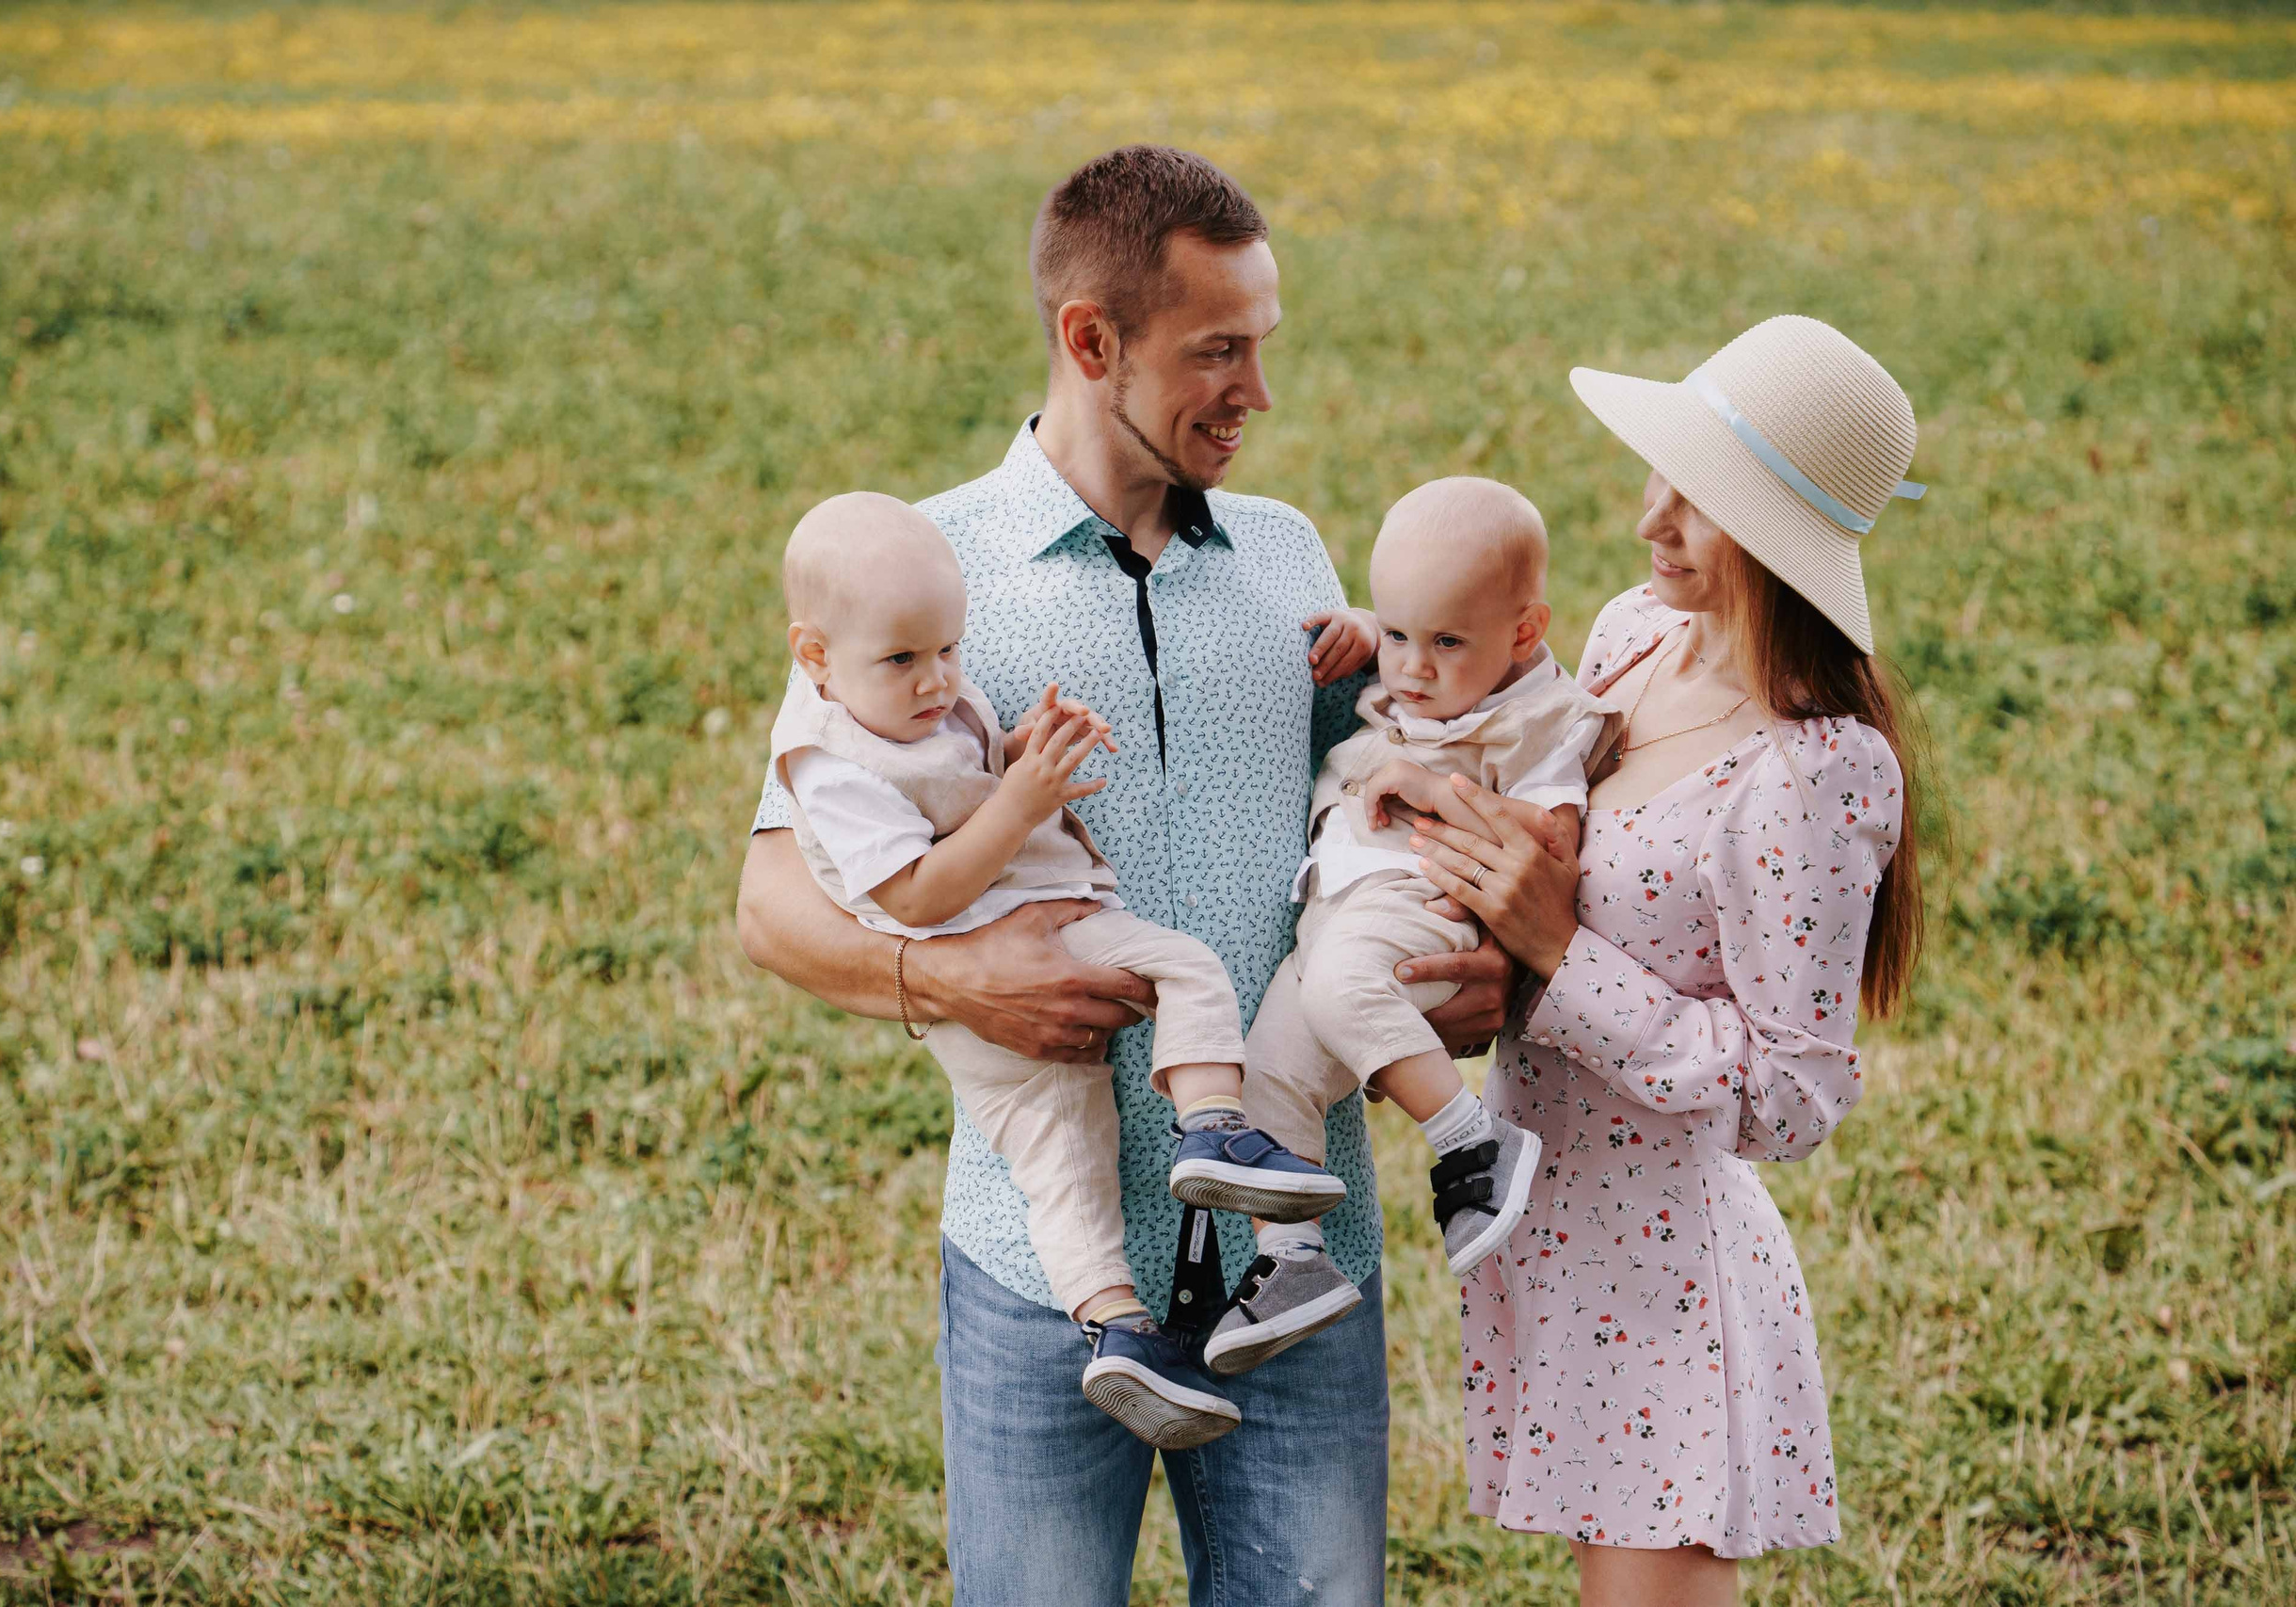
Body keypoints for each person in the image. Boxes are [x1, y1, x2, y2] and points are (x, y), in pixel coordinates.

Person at [736, 146, 1518, 1605]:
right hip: (1043, 1269)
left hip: (1302, 1255)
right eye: (1217, 352)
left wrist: (1479, 973)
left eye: (1260, 347)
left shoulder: (1294, 560)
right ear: (1091, 342)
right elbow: (771, 902)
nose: (1257, 393)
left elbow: (1395, 819)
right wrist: (945, 975)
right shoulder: (918, 578)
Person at [1398, 315, 1932, 1606]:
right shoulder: (1634, 635)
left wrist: (1556, 951)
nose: (1652, 519)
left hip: (1668, 1284)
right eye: (1662, 473)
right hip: (1555, 1240)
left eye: (1701, 499)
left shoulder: (1814, 767)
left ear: (1778, 531)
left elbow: (1793, 1097)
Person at [762, 490, 1346, 1449]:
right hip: (998, 967)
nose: (937, 681)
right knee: (1072, 1137)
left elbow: (966, 767)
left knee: (1104, 1098)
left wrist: (1016, 747)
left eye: (950, 652)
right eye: (904, 661)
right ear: (815, 656)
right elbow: (914, 893)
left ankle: (1162, 1237)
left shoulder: (925, 693)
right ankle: (1138, 1271)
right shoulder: (829, 756)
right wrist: (1020, 800)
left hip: (1062, 923)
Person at [1215, 478, 1623, 1375]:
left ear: (1523, 632)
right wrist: (1371, 632)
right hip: (1336, 917)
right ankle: (1291, 1258)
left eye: (1444, 642)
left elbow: (1555, 843)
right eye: (1399, 636)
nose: (1413, 669)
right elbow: (1404, 641)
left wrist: (1443, 793)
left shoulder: (1538, 718)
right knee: (1267, 1072)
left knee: (1339, 987)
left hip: (1422, 912)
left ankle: (1471, 1144)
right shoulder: (1417, 675)